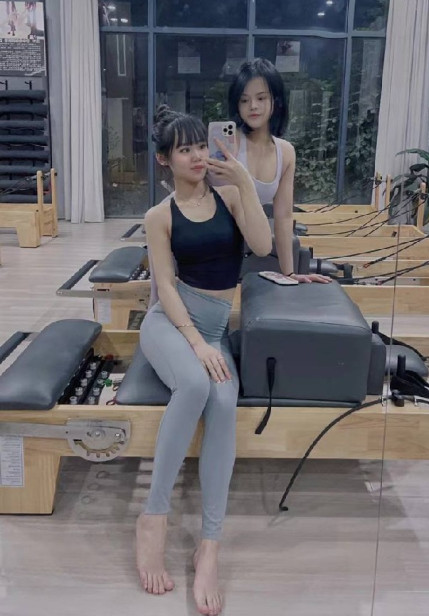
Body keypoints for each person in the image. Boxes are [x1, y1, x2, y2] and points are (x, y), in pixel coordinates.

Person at [137, 104, 272, 615]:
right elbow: (165, 286)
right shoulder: (159, 216)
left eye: (200, 145)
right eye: (184, 150)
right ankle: (153, 519)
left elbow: (262, 245)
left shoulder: (231, 196)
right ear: (164, 160)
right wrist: (195, 342)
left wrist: (243, 178)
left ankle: (209, 546)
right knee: (195, 384)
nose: (197, 156)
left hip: (214, 328)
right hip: (170, 325)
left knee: (223, 401)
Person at [226, 58, 331, 284]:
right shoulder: (228, 143)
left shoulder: (285, 152)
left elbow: (283, 217)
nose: (253, 106)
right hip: (212, 247)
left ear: (276, 100)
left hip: (254, 245)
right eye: (244, 100)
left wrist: (290, 273)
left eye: (261, 98)